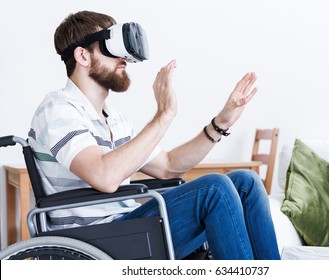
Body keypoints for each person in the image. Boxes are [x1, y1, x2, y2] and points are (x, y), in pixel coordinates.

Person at [28, 10, 280, 260]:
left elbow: (169, 167)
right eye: (110, 46)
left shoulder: (114, 119)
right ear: (82, 55)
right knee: (215, 188)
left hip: (125, 227)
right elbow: (104, 177)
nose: (123, 58)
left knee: (246, 182)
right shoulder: (58, 108)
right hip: (93, 239)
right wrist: (164, 115)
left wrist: (220, 124)